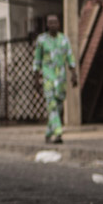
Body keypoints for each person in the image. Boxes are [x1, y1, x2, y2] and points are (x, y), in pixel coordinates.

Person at [33, 14, 77, 144]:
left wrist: (74, 74)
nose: (53, 25)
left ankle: (48, 132)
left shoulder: (64, 40)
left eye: (55, 22)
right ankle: (58, 132)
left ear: (59, 24)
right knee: (51, 105)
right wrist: (36, 78)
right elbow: (37, 59)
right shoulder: (41, 40)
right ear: (47, 25)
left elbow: (70, 57)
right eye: (50, 23)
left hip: (61, 79)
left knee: (58, 107)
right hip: (48, 77)